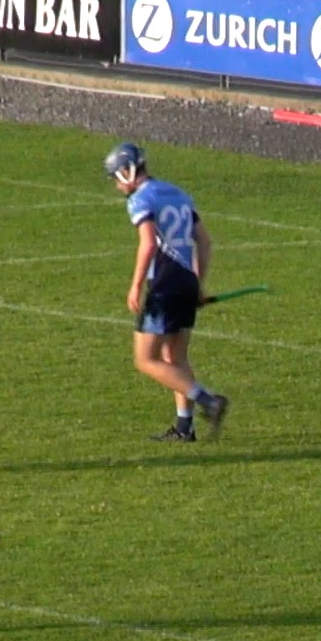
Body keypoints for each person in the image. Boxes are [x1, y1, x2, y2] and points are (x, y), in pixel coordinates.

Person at [107, 142, 229, 442]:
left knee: (145, 359)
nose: (115, 184)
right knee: (175, 356)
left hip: (164, 283)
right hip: (186, 280)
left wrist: (135, 284)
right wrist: (198, 284)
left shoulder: (140, 199)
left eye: (115, 177)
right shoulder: (178, 193)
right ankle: (184, 428)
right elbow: (205, 241)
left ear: (127, 172)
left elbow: (148, 243)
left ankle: (209, 401)